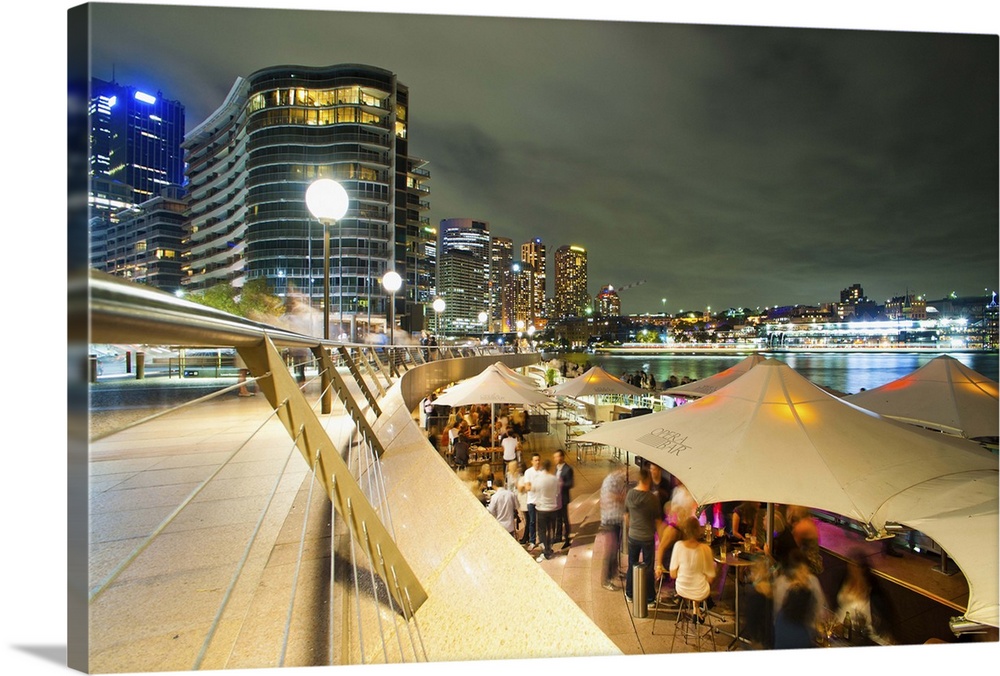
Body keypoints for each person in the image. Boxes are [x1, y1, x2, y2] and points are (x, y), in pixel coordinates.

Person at [834, 550, 897, 643]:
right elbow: (837, 603)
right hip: (840, 627)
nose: (851, 567)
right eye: (850, 564)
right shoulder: (844, 579)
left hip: (861, 632)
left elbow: (882, 614)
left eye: (855, 565)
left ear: (862, 568)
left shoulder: (872, 589)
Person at [624, 468, 663, 607]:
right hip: (647, 537)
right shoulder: (652, 498)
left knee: (631, 564)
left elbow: (626, 516)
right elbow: (658, 521)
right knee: (648, 567)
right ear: (648, 480)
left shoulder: (630, 494)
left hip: (633, 536)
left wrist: (631, 527)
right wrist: (661, 537)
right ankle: (649, 599)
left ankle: (629, 593)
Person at [664, 516, 716, 618]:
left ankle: (696, 610)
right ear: (699, 530)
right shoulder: (706, 549)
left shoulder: (678, 546)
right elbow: (710, 578)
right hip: (700, 591)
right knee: (702, 578)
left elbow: (673, 574)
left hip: (682, 588)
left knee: (694, 578)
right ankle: (696, 610)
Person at [599, 468, 627, 591]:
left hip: (615, 519)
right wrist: (622, 498)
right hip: (610, 521)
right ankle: (606, 580)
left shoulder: (613, 480)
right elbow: (613, 496)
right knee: (610, 551)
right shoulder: (612, 481)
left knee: (614, 550)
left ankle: (614, 572)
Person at [530, 459, 560, 561]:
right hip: (552, 508)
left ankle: (544, 550)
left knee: (542, 531)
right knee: (551, 530)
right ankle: (549, 548)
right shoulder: (554, 479)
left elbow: (533, 490)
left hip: (542, 508)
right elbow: (557, 492)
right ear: (550, 467)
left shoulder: (538, 479)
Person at [553, 449, 574, 548]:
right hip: (556, 497)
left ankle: (567, 537)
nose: (555, 459)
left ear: (562, 457)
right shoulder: (556, 468)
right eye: (555, 457)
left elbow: (570, 483)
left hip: (564, 497)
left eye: (557, 457)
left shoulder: (568, 469)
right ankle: (558, 536)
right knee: (558, 518)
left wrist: (561, 484)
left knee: (565, 518)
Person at [520, 453, 542, 548]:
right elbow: (527, 487)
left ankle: (542, 540)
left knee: (541, 522)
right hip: (531, 501)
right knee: (532, 522)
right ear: (532, 461)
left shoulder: (542, 472)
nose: (537, 462)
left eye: (538, 460)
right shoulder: (528, 472)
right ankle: (532, 541)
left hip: (541, 501)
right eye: (535, 460)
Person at [507, 460, 526, 540]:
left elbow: (519, 487)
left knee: (522, 515)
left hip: (518, 495)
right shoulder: (508, 474)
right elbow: (508, 486)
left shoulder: (519, 475)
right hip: (511, 495)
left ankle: (525, 531)